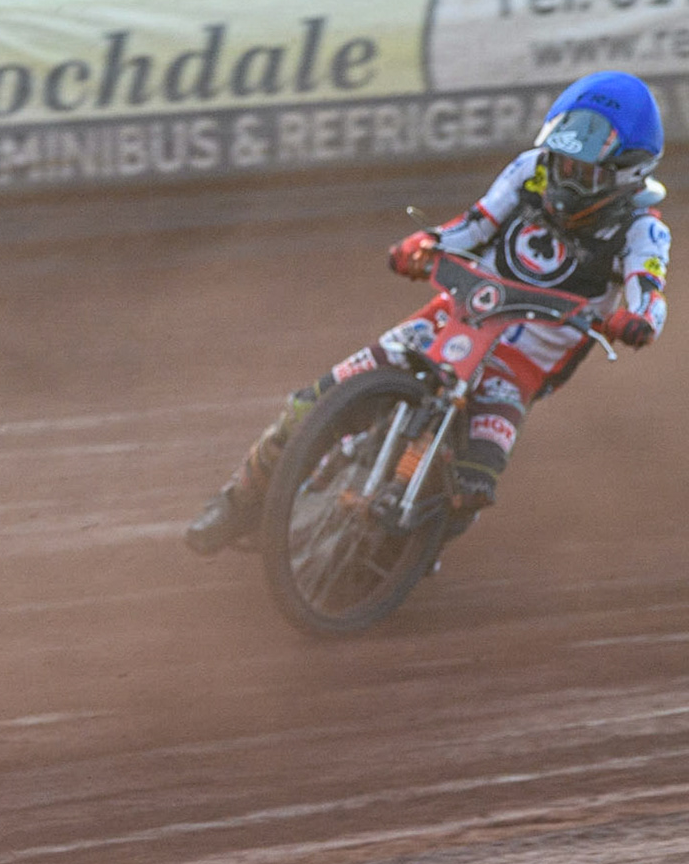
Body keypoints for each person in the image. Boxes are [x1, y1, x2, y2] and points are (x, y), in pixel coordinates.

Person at [185, 70, 669, 555]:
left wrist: (640, 319)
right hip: (451, 320)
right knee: (312, 403)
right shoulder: (531, 169)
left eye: (584, 170)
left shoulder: (643, 230)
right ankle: (235, 502)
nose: (565, 176)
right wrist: (427, 243)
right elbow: (475, 224)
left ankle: (401, 556)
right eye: (562, 159)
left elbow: (648, 291)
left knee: (473, 484)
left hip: (518, 368)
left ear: (627, 173)